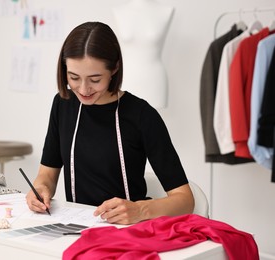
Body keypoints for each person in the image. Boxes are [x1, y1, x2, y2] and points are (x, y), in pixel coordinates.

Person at [26, 21, 194, 225]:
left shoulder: (141, 115)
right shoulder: (63, 105)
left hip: (129, 231)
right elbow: (47, 175)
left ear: (114, 68)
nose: (84, 89)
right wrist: (40, 189)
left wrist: (140, 210)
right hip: (77, 229)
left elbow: (185, 200)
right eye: (74, 77)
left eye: (95, 80)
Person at [112, 0, 175, 109]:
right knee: (127, 119)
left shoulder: (166, 11)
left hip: (154, 79)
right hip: (128, 78)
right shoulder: (119, 11)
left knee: (153, 121)